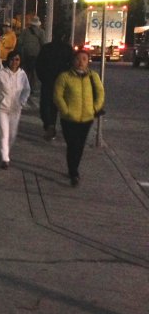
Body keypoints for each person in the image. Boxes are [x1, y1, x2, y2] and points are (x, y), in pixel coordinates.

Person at [53, 50, 105, 187]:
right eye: (78, 59)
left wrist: (94, 108)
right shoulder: (64, 76)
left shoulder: (93, 76)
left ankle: (74, 170)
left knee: (80, 146)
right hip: (69, 119)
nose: (81, 62)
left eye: (84, 59)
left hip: (87, 118)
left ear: (88, 61)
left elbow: (100, 93)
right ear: (73, 61)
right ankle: (73, 171)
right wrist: (66, 110)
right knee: (72, 145)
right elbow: (57, 95)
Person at [0, 50, 31, 169]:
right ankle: (5, 158)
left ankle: (6, 150)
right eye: (12, 59)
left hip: (16, 109)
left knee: (12, 134)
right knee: (4, 134)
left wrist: (22, 101)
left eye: (17, 59)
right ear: (8, 60)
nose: (14, 62)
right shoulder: (1, 74)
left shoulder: (22, 75)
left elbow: (27, 90)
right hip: (2, 108)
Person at [35, 36, 73, 141]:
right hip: (62, 82)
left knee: (46, 104)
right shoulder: (68, 49)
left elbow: (38, 65)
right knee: (58, 106)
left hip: (48, 81)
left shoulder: (46, 48)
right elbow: (72, 65)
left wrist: (43, 78)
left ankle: (49, 124)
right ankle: (58, 127)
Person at [17, 16, 46, 92]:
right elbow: (44, 44)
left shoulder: (25, 31)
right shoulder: (41, 32)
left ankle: (24, 86)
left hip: (25, 55)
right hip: (36, 55)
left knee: (25, 71)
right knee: (34, 73)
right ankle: (32, 88)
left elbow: (19, 42)